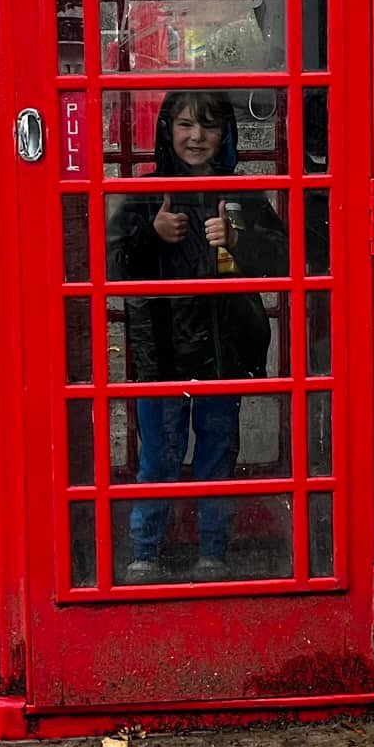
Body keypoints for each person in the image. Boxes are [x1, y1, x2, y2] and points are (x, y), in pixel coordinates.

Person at [106, 88, 289, 579]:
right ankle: (144, 553)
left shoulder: (243, 194)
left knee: (216, 456)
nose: (196, 136)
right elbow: (107, 267)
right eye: (185, 124)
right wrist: (152, 233)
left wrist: (238, 239)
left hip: (223, 349)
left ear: (224, 133)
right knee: (157, 460)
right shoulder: (144, 194)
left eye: (208, 125)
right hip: (160, 352)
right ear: (167, 130)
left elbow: (285, 260)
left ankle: (214, 552)